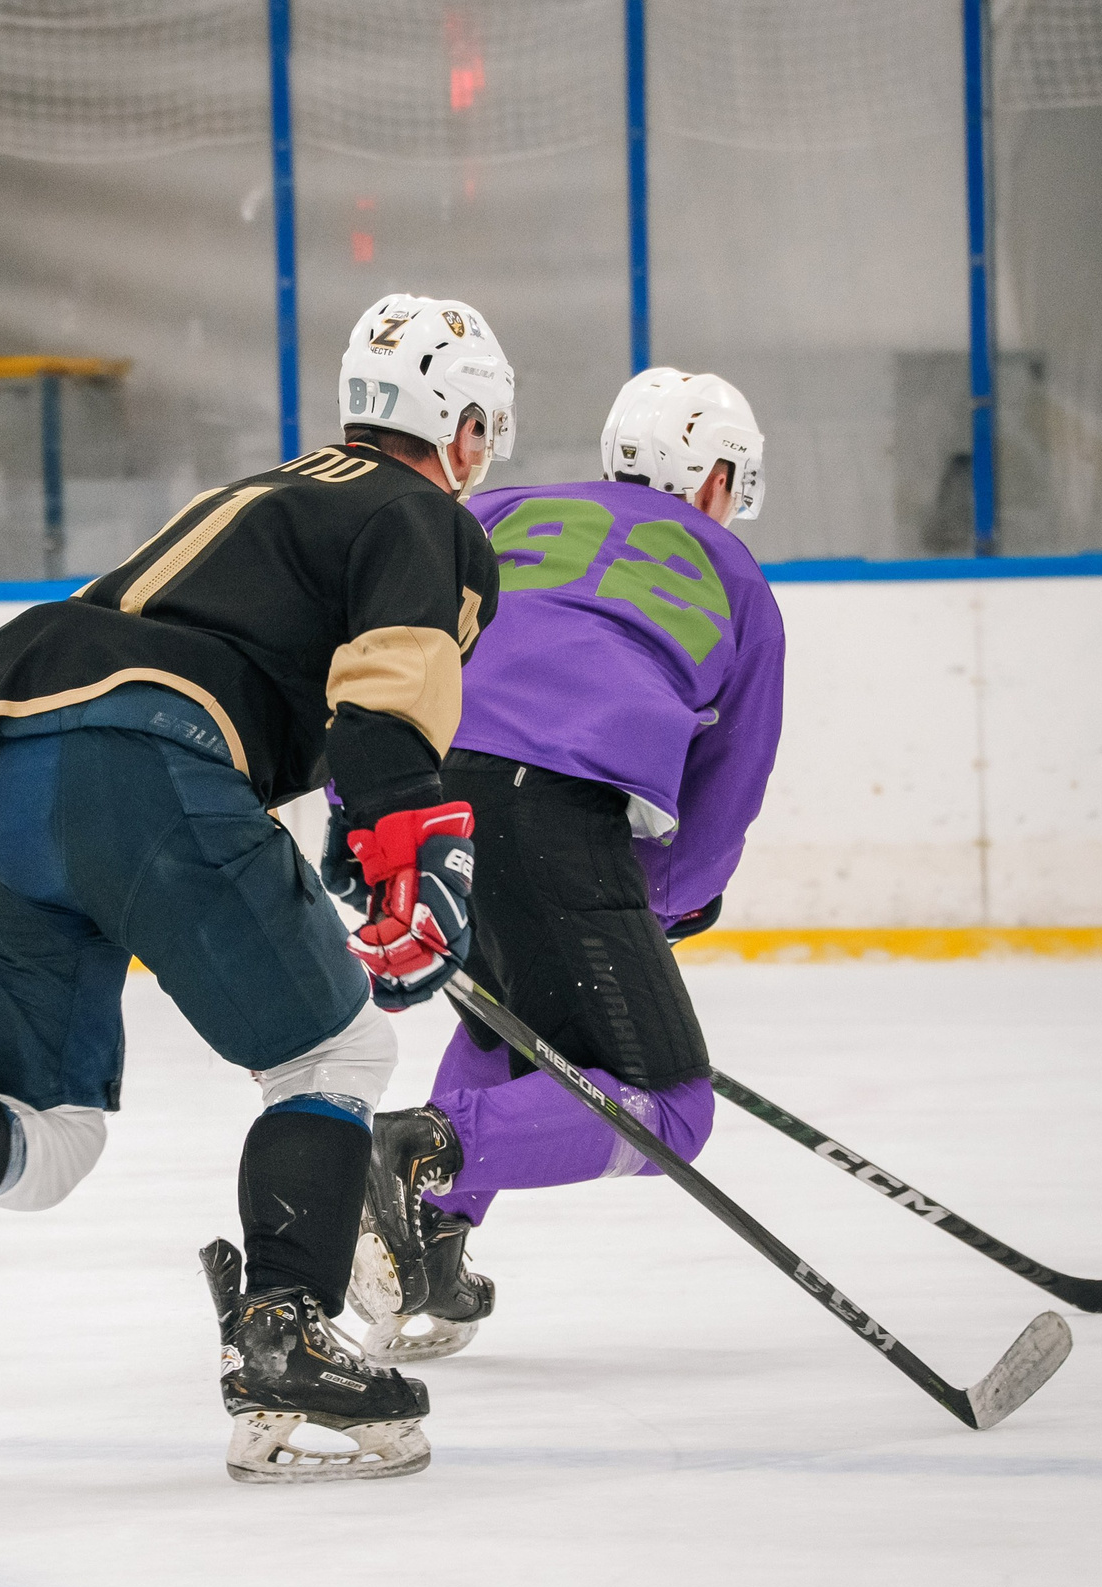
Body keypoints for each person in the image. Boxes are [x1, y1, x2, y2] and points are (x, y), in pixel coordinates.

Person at [0, 293, 513, 1484]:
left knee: (46, 1129)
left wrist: (346, 833)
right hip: (150, 758)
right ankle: (287, 1332)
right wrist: (413, 840)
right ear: (462, 425)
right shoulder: (419, 514)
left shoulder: (254, 494)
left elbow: (254, 670)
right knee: (335, 1057)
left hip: (2, 753)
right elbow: (381, 696)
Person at [327, 367, 786, 1364]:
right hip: (547, 807)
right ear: (713, 478)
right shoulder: (735, 577)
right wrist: (658, 906)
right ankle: (422, 1152)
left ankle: (429, 1248)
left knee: (525, 1018)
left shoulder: (492, 507)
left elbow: (373, 639)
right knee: (671, 1108)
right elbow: (726, 793)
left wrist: (356, 812)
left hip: (406, 792)